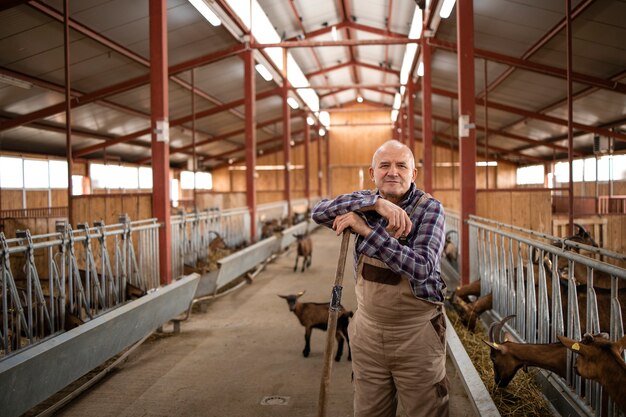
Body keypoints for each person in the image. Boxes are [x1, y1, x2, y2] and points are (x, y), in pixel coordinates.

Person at [312, 139, 448, 417]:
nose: (393, 172)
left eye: (401, 165)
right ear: (372, 173)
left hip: (416, 335)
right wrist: (375, 204)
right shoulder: (365, 203)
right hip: (368, 334)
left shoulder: (430, 210)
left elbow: (421, 268)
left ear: (414, 173)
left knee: (424, 410)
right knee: (369, 410)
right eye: (384, 165)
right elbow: (318, 212)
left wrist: (365, 230)